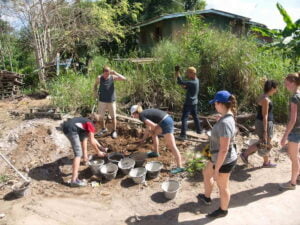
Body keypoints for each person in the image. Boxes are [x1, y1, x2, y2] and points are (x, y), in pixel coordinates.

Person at [197, 90, 237, 218]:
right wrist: (220, 120)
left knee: (223, 186)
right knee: (206, 172)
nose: (214, 106)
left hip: (224, 160)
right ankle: (207, 197)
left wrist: (217, 169)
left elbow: (224, 149)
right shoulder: (227, 117)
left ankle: (223, 210)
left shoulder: (225, 123)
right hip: (216, 155)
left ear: (220, 103)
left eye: (215, 103)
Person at [130, 105, 184, 174]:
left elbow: (153, 126)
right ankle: (156, 152)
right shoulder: (144, 113)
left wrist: (151, 131)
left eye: (133, 115)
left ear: (136, 112)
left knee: (172, 145)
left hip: (166, 122)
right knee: (153, 134)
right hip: (165, 120)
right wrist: (143, 139)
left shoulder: (141, 116)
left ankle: (180, 167)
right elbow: (148, 128)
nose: (133, 116)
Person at [240, 80, 278, 167]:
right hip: (264, 123)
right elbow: (265, 116)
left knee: (265, 142)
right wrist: (265, 130)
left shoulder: (262, 96)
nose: (276, 91)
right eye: (275, 89)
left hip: (260, 122)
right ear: (272, 88)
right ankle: (245, 154)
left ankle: (266, 162)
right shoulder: (266, 99)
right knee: (263, 142)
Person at [62, 117, 107, 187]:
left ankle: (85, 159)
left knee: (83, 139)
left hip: (67, 127)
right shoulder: (90, 124)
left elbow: (85, 140)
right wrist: (98, 152)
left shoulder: (84, 124)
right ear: (96, 123)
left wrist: (100, 147)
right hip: (71, 129)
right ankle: (74, 180)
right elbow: (92, 141)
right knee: (78, 154)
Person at [279, 72, 300, 190]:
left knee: (294, 156)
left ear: (293, 83)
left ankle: (292, 183)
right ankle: (298, 175)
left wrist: (285, 136)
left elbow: (292, 120)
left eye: (287, 84)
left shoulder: (294, 98)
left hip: (295, 131)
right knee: (294, 155)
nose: (285, 86)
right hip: (299, 130)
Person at [93, 66, 126, 139]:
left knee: (113, 116)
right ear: (103, 72)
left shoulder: (112, 77)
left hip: (111, 101)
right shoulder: (99, 78)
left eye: (108, 73)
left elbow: (124, 78)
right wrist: (95, 92)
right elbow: (95, 85)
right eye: (106, 73)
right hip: (102, 100)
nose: (107, 75)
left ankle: (114, 131)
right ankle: (103, 129)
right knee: (101, 117)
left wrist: (115, 72)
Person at [175, 66, 202, 139]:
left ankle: (183, 135)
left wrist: (177, 72)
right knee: (195, 117)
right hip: (194, 103)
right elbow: (188, 87)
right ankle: (199, 131)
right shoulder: (197, 80)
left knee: (184, 118)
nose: (187, 75)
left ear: (192, 73)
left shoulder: (192, 82)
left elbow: (180, 81)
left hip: (189, 103)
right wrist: (184, 86)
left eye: (188, 73)